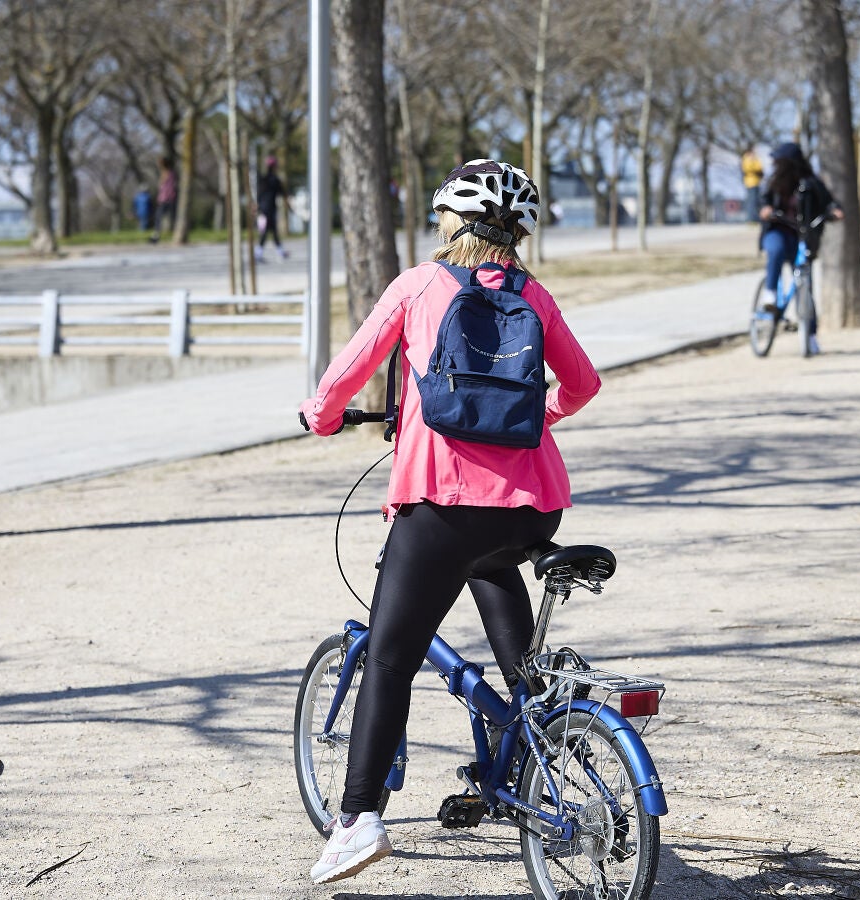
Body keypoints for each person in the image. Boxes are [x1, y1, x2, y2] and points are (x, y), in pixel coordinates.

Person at [298, 159, 601, 885]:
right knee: (498, 584)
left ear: (453, 222)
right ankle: (537, 737)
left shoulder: (418, 286)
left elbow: (346, 373)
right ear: (516, 232)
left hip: (442, 504)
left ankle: (357, 821)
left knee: (390, 658)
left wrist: (322, 416)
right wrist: (534, 419)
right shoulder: (534, 295)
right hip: (532, 507)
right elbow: (583, 385)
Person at [758, 142, 842, 355]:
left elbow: (829, 202)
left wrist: (835, 211)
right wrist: (766, 209)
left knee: (805, 283)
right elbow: (764, 201)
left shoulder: (811, 183)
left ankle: (810, 335)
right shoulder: (773, 183)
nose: (776, 164)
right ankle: (770, 294)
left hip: (802, 235)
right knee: (775, 251)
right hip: (778, 230)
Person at [255, 156, 287, 261]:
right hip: (270, 209)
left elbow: (258, 195)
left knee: (271, 231)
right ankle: (259, 253)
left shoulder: (262, 179)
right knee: (266, 231)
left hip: (263, 209)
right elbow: (282, 193)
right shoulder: (275, 180)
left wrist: (257, 206)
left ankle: (279, 251)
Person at [148, 156, 177, 244]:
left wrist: (166, 198)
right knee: (159, 217)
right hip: (164, 199)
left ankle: (157, 236)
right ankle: (156, 236)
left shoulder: (169, 174)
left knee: (161, 217)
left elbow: (168, 188)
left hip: (167, 199)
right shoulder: (166, 173)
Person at [741, 145, 764, 223]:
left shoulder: (754, 159)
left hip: (756, 182)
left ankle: (755, 217)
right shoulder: (746, 158)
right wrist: (756, 169)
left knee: (756, 201)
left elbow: (760, 167)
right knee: (752, 201)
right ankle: (752, 218)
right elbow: (749, 168)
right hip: (751, 183)